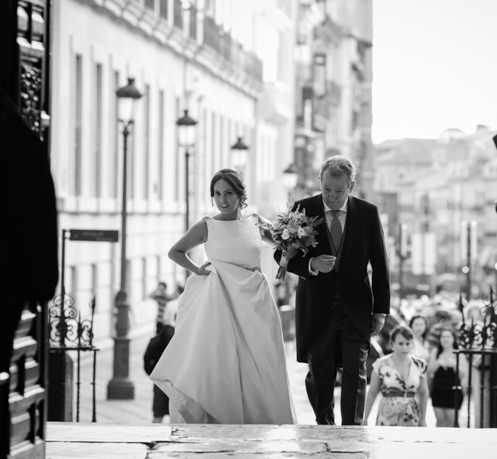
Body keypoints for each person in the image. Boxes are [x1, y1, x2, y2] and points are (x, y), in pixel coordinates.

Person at [150, 169, 296, 425]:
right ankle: (221, 418)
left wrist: (291, 244)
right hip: (219, 301)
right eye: (217, 194)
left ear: (241, 195)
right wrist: (197, 270)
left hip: (255, 302)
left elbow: (286, 243)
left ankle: (258, 419)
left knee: (260, 363)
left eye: (228, 193)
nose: (223, 200)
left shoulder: (255, 222)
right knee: (223, 361)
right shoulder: (208, 225)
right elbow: (176, 251)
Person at [275, 155, 391, 426]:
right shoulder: (303, 209)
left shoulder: (368, 213)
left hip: (356, 307)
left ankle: (351, 430)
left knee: (355, 372)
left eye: (339, 191)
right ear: (320, 182)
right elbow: (281, 255)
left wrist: (381, 310)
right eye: (327, 189)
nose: (332, 196)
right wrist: (311, 264)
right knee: (320, 373)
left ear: (351, 185)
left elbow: (381, 264)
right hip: (316, 308)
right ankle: (323, 427)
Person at [363, 325, 428, 426]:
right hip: (387, 414)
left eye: (407, 343)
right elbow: (372, 392)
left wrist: (423, 419)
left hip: (411, 416)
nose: (404, 347)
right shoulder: (380, 364)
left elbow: (424, 393)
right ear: (392, 344)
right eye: (400, 343)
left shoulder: (420, 364)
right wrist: (365, 418)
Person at [428, 328, 467, 427]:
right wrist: (439, 362)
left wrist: (454, 365)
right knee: (440, 422)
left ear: (453, 339)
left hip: (453, 393)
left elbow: (463, 374)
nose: (445, 339)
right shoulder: (435, 352)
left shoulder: (459, 354)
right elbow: (429, 371)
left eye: (448, 337)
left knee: (452, 422)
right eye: (443, 337)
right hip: (437, 392)